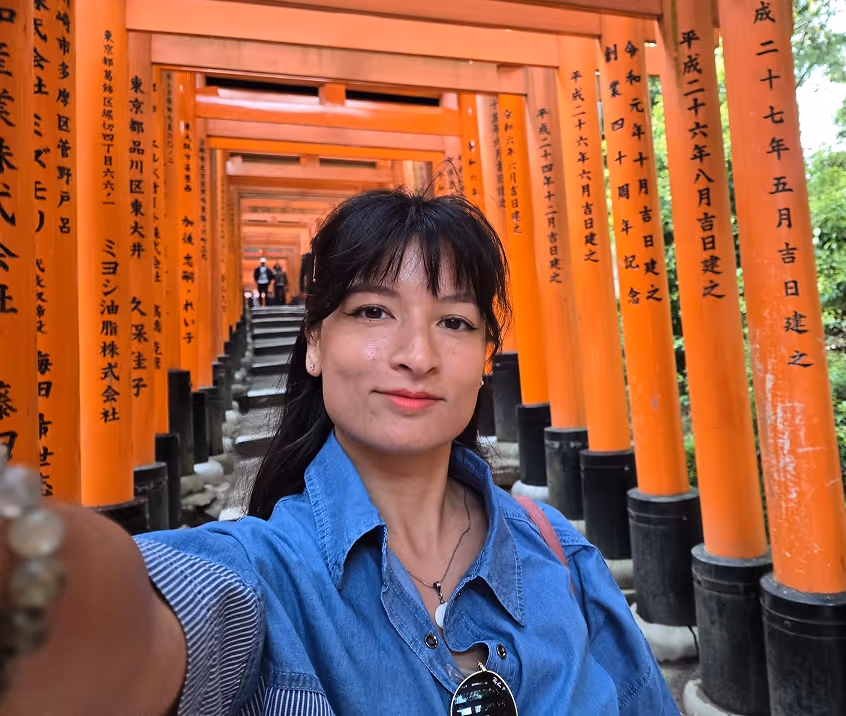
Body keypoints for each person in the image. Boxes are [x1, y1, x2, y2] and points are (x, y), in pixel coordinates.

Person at [0, 190, 680, 715]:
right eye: (372, 312)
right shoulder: (260, 574)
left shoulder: (560, 553)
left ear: (484, 360)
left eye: (454, 322)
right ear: (314, 344)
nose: (416, 355)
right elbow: (118, 618)